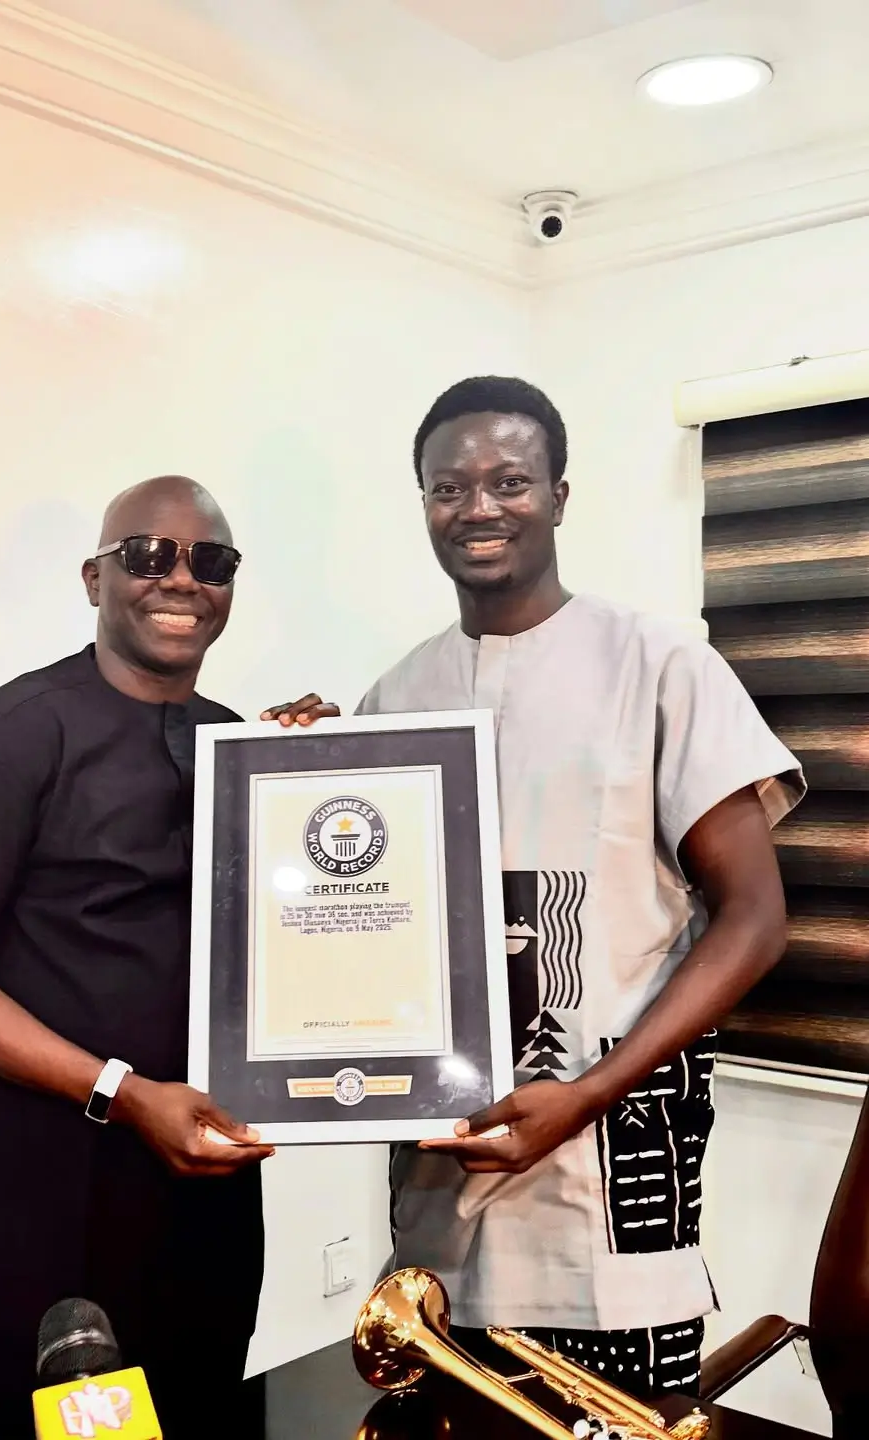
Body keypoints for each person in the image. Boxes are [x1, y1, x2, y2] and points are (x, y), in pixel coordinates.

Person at [264, 376, 804, 1402]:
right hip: (439, 1189)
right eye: (448, 487)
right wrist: (293, 774)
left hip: (608, 1166)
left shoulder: (660, 665)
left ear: (558, 496)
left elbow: (756, 923)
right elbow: (354, 926)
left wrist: (590, 1093)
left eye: (510, 480)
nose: (479, 508)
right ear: (421, 503)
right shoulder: (398, 691)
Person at [0, 476, 273, 1440]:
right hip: (56, 1200)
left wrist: (324, 770)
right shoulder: (15, 731)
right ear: (96, 577)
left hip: (204, 1191)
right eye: (148, 555)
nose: (180, 579)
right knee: (85, 1438)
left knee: (204, 1418)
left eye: (209, 562)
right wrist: (124, 1091)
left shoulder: (235, 740)